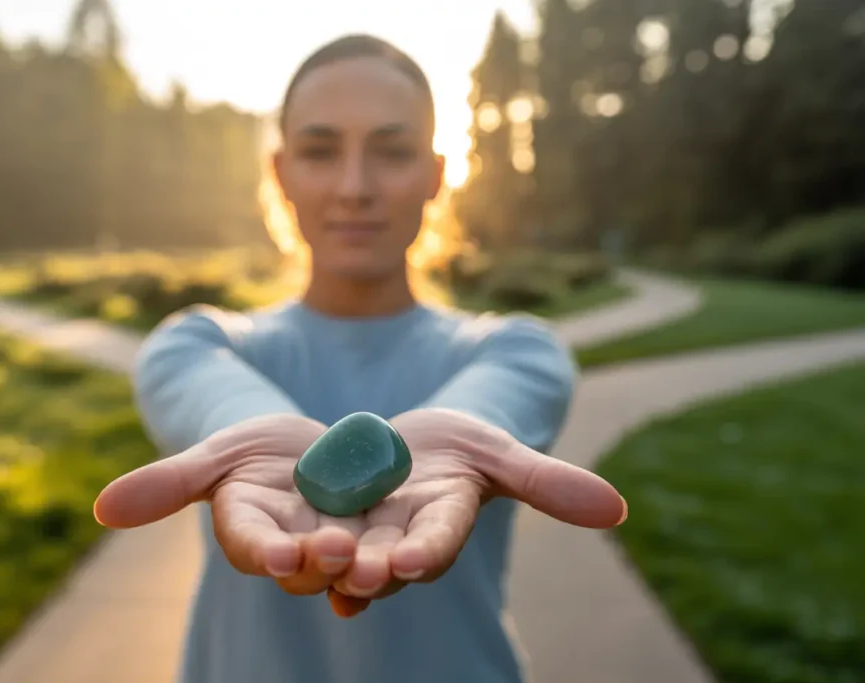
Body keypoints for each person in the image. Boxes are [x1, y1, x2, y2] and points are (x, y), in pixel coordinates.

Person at [93, 34, 627, 683]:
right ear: (280, 173)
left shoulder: (518, 351)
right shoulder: (198, 345)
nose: (354, 186)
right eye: (321, 151)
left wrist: (445, 438)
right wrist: (264, 436)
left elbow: (489, 401)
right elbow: (210, 392)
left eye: (392, 151)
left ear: (436, 175)